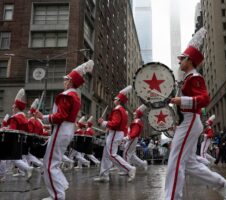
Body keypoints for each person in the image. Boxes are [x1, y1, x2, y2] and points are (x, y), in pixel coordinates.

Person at [165, 28, 226, 200]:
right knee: (189, 163)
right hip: (187, 122)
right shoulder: (188, 78)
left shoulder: (195, 77)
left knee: (176, 161)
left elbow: (204, 99)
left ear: (190, 60)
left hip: (190, 121)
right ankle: (221, 183)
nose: (179, 61)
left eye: (182, 59)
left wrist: (181, 101)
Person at [36, 60, 94, 200]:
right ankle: (60, 189)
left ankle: (57, 195)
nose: (64, 81)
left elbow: (60, 116)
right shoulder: (75, 96)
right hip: (66, 129)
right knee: (52, 162)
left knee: (49, 164)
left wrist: (43, 117)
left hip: (61, 129)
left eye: (66, 79)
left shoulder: (66, 95)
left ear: (70, 81)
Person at [94, 85, 136, 183]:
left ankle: (129, 169)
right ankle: (104, 175)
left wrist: (103, 122)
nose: (114, 99)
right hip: (116, 133)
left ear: (119, 100)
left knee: (111, 155)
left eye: (115, 98)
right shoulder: (122, 111)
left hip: (115, 134)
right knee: (106, 154)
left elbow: (115, 123)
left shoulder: (118, 110)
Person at [4, 88, 34, 181]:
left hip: (13, 140)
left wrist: (5, 128)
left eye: (13, 107)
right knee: (17, 157)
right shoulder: (24, 117)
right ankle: (25, 170)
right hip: (21, 140)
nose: (12, 109)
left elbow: (12, 130)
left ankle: (27, 168)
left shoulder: (15, 117)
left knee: (11, 157)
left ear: (16, 108)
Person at [123, 104, 148, 170]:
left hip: (132, 138)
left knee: (126, 153)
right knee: (132, 155)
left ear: (137, 115)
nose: (133, 114)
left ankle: (127, 169)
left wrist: (128, 137)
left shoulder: (136, 121)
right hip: (134, 138)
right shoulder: (138, 121)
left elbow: (134, 132)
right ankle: (143, 163)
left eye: (135, 113)